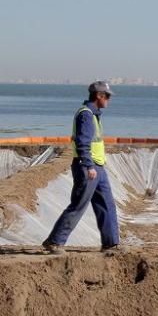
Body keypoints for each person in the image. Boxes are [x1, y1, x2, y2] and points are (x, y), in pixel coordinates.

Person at [42, 81, 120, 253]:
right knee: (78, 205)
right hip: (88, 167)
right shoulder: (85, 115)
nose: (109, 99)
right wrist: (88, 165)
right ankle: (54, 241)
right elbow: (82, 142)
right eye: (107, 96)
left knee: (107, 204)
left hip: (98, 166)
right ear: (99, 95)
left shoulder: (94, 115)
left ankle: (111, 243)